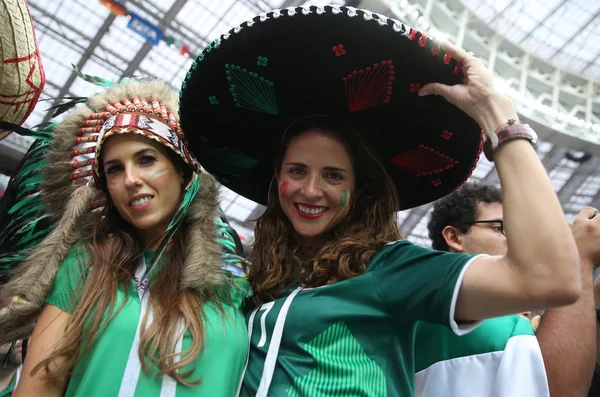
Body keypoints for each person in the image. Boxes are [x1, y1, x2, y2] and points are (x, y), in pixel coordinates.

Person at [178, 5, 581, 396]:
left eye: (333, 175)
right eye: (297, 170)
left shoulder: (391, 270)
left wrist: (498, 117)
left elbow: (549, 278)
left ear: (360, 192)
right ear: (277, 179)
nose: (311, 190)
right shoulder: (262, 281)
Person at [0, 79, 250, 397]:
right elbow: (40, 387)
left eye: (146, 159)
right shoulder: (85, 266)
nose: (130, 179)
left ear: (183, 170)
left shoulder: (235, 294)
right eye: (114, 169)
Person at [420, 183, 597, 397]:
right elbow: (555, 389)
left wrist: (593, 304)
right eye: (499, 228)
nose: (518, 240)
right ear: (455, 237)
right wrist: (579, 258)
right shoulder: (450, 315)